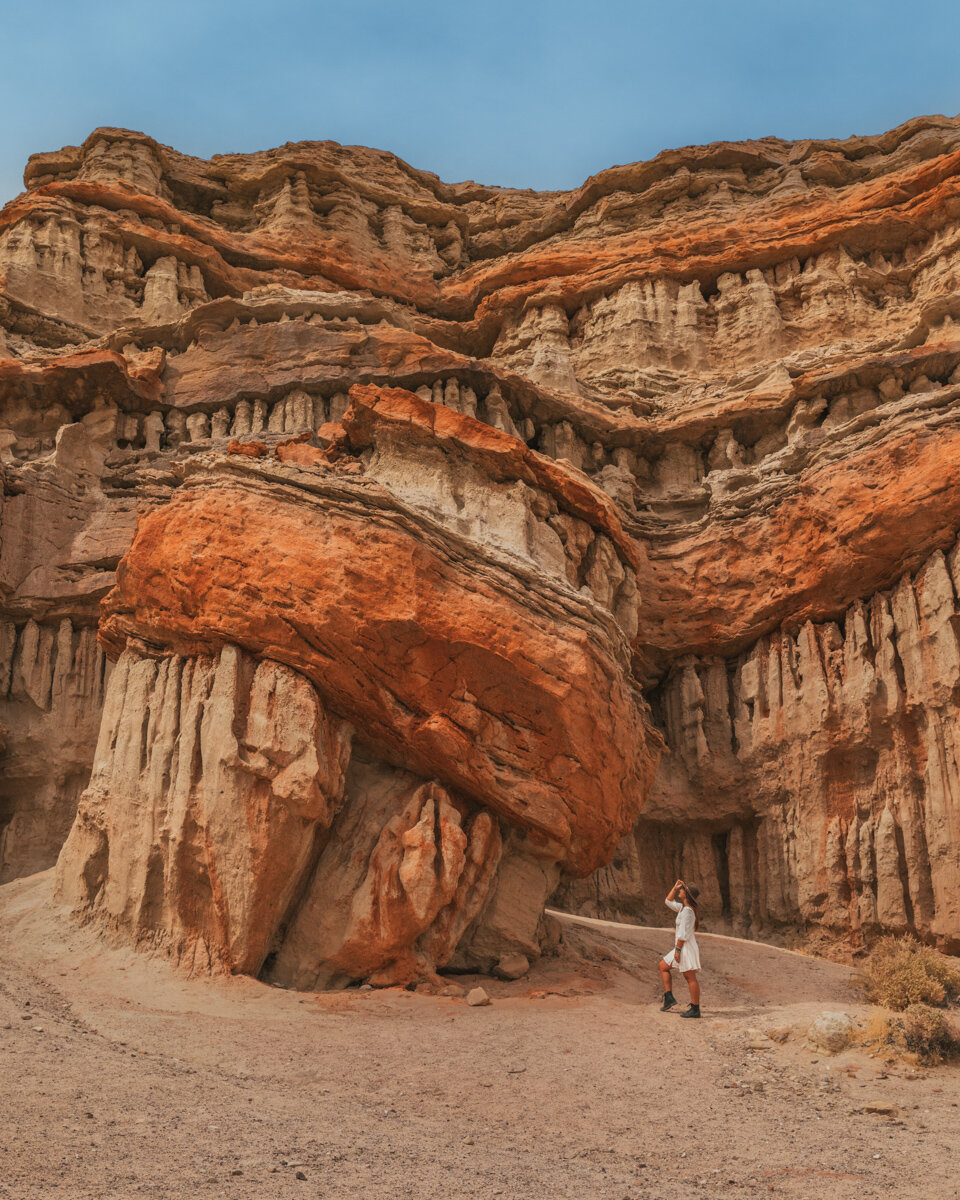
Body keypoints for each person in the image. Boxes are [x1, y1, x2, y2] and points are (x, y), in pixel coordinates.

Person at [657, 879, 702, 1018]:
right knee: (663, 966)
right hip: (681, 946)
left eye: (683, 889)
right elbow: (668, 901)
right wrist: (675, 887)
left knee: (690, 977)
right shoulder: (683, 908)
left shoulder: (688, 911)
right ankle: (669, 997)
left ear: (687, 895)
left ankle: (695, 1009)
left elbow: (683, 934)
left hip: (685, 947)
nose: (680, 891)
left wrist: (677, 950)